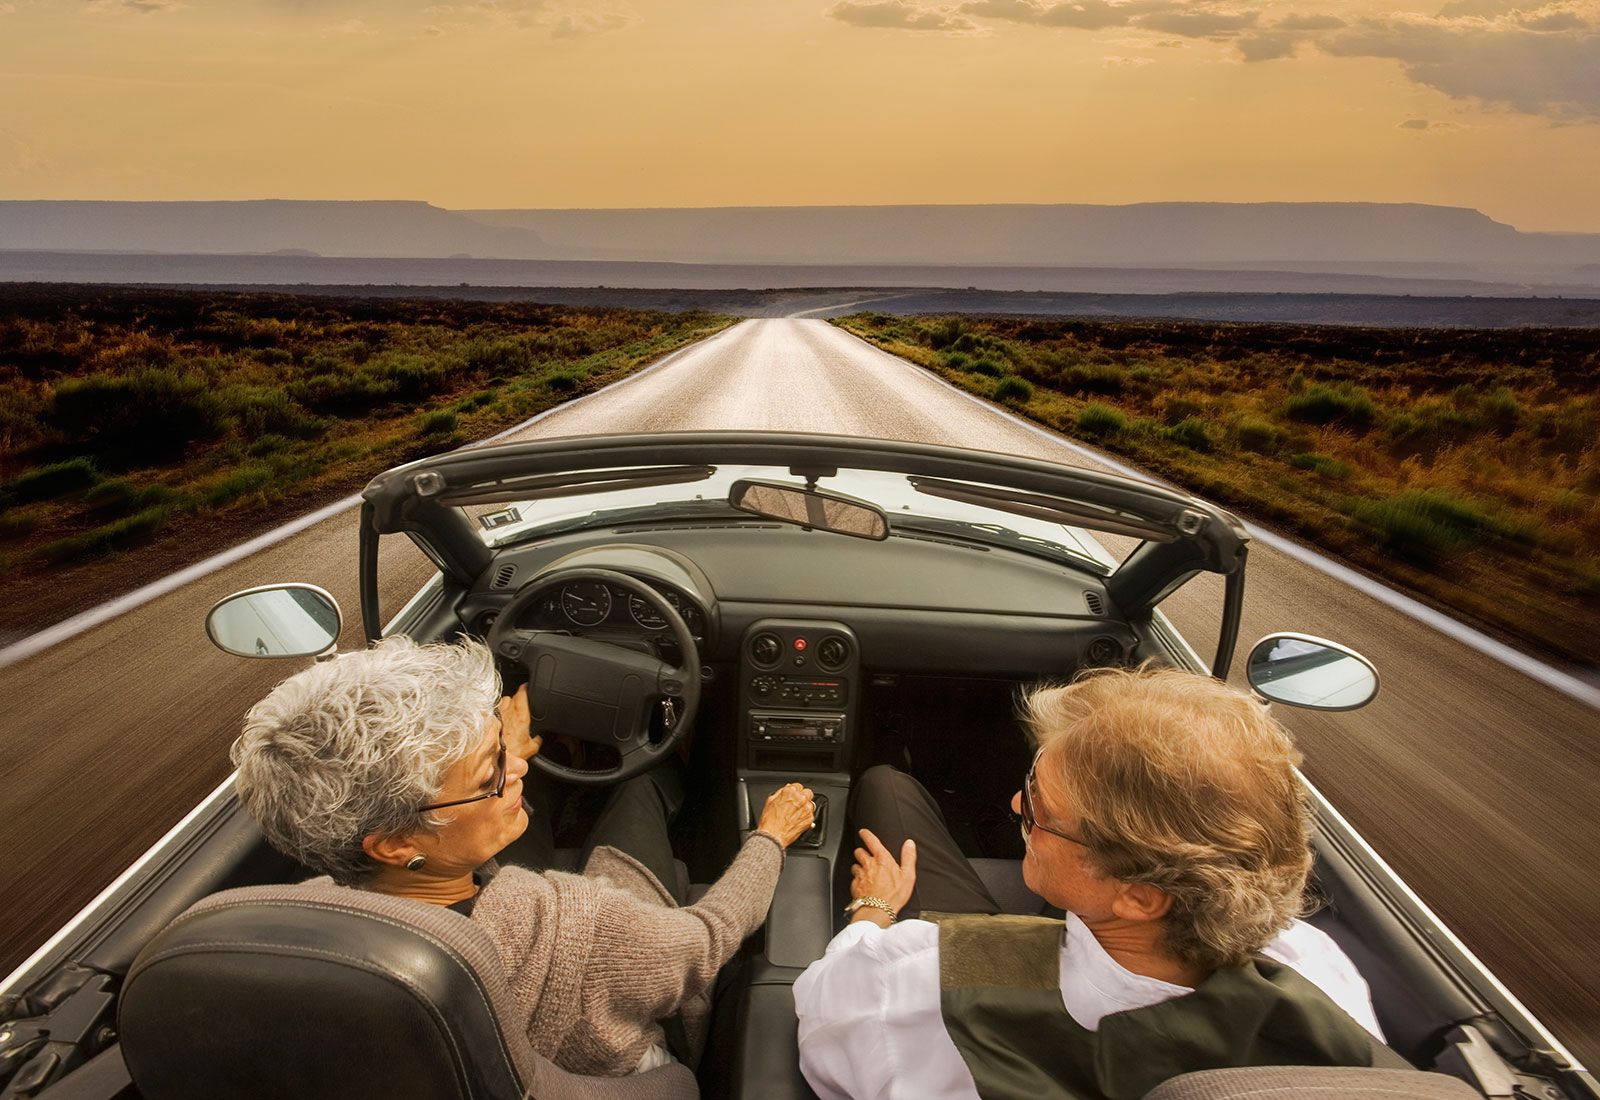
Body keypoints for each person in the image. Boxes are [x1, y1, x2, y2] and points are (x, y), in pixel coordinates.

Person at [231, 634, 814, 1078]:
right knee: (641, 784)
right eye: (492, 770)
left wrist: (494, 747)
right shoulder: (580, 927)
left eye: (500, 749)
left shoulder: (302, 926)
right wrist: (770, 838)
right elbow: (709, 938)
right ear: (396, 843)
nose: (518, 768)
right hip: (631, 1071)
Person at [794, 665, 1385, 1100]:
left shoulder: (919, 975)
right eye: (1032, 778)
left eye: (1040, 810)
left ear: (1139, 896)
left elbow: (821, 1011)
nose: (1016, 801)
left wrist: (872, 910)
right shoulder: (1317, 971)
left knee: (886, 785)